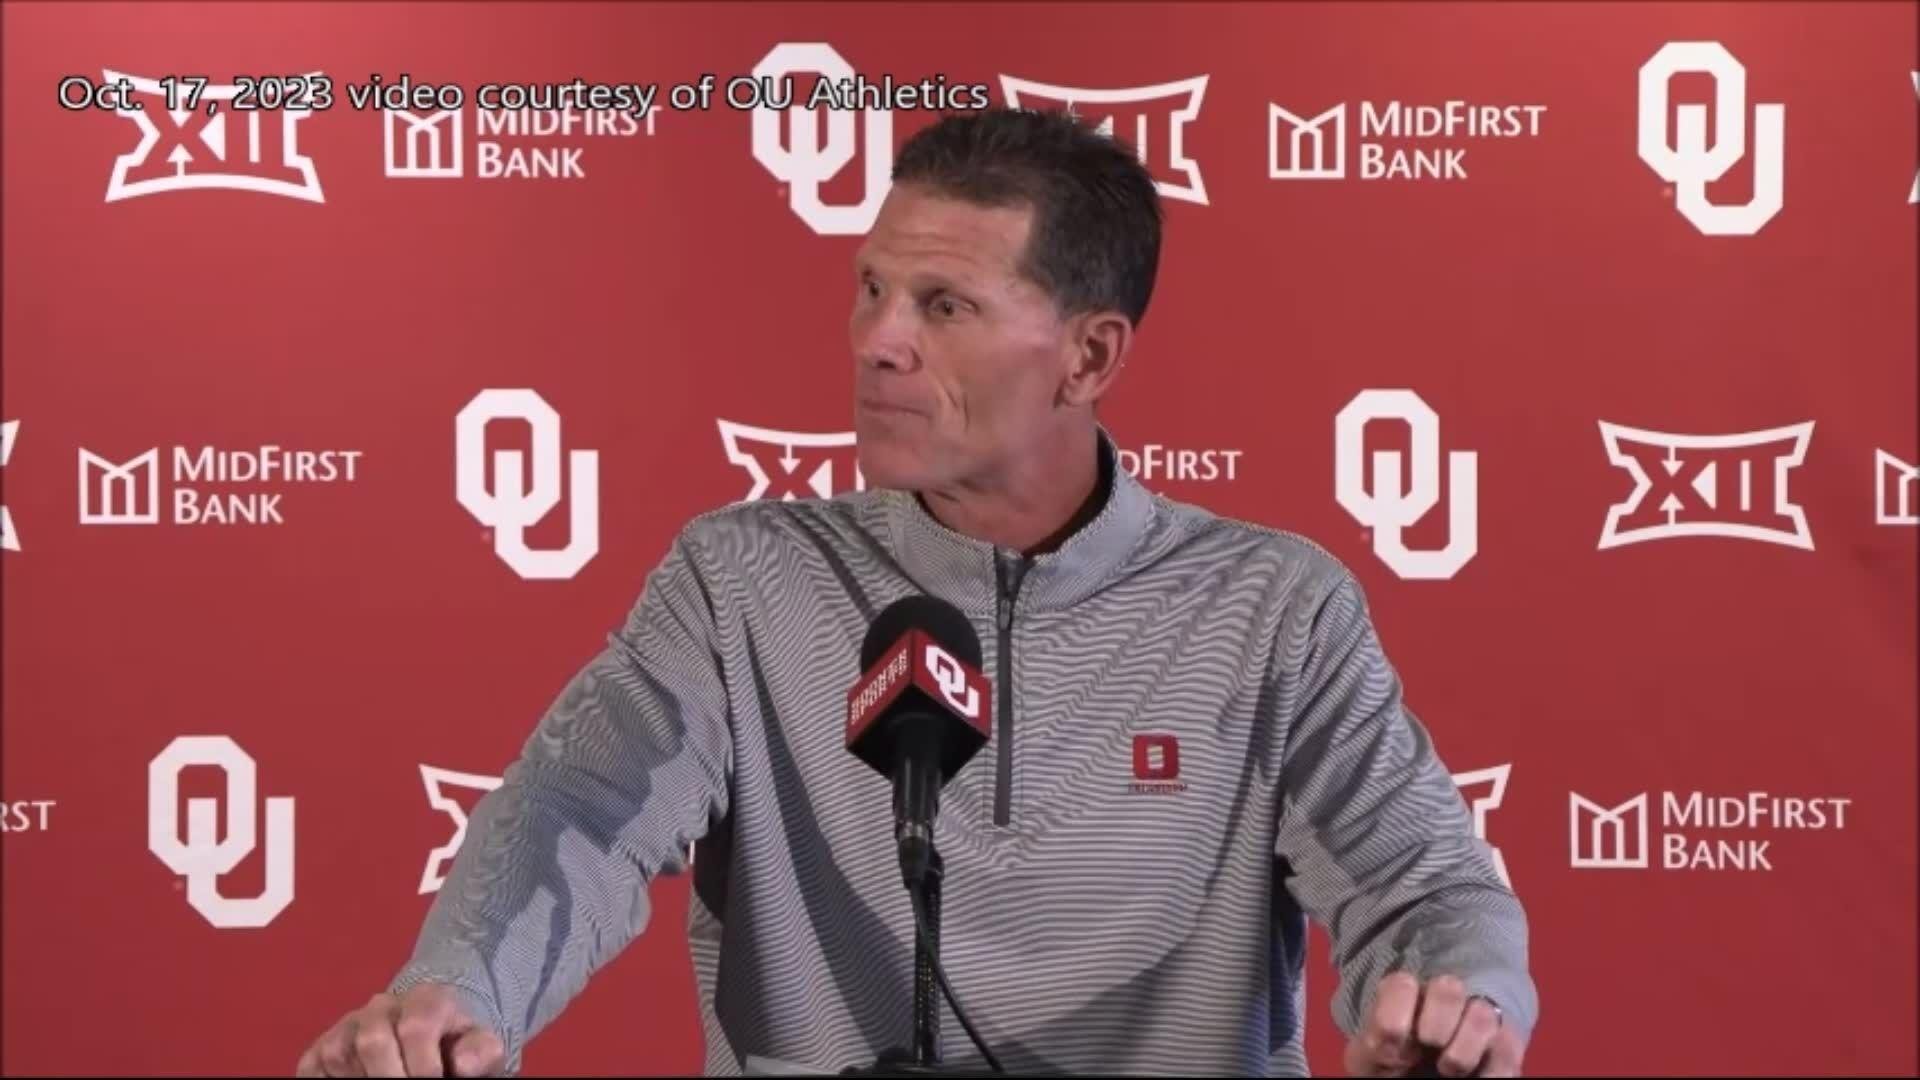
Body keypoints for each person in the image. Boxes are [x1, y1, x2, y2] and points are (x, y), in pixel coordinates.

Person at [295, 106, 1538, 1079]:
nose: (876, 339)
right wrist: (457, 999)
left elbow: (1423, 883)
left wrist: (1449, 1009)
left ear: (1090, 357)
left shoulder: (1275, 608)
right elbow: (575, 810)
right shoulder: (739, 580)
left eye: (943, 305)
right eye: (871, 288)